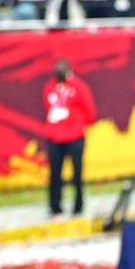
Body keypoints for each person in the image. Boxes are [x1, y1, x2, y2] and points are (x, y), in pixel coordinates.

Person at [43, 58, 96, 218]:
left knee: (77, 174)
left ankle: (78, 206)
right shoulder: (49, 87)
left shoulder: (79, 86)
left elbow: (90, 110)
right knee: (55, 175)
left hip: (75, 136)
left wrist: (76, 123)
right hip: (54, 137)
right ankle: (55, 207)